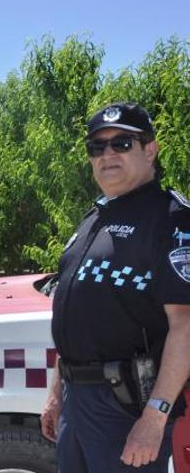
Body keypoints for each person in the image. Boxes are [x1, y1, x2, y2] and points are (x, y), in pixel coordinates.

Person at [40, 102, 190, 471]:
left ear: (150, 150)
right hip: (77, 401)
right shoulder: (96, 216)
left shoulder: (171, 218)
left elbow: (185, 325)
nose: (107, 154)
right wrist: (57, 393)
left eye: (122, 143)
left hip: (125, 407)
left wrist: (155, 418)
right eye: (97, 147)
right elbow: (77, 312)